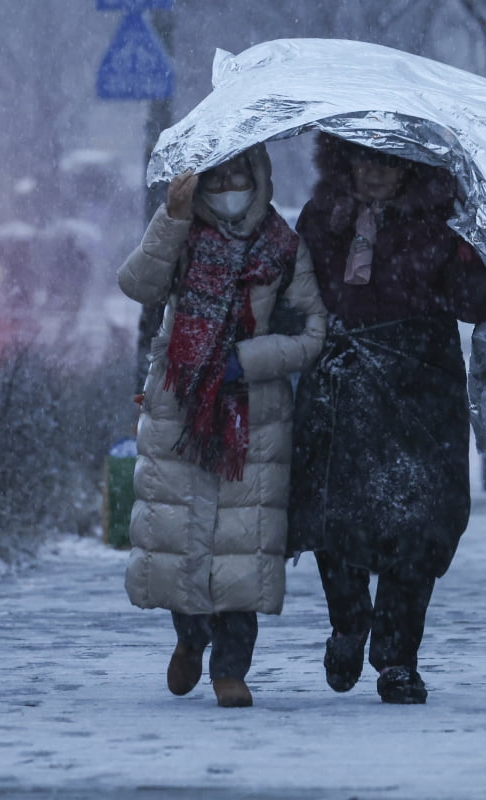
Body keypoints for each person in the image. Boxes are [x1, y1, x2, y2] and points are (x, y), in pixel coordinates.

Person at [289, 133, 486, 704]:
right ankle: (349, 623)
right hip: (342, 381)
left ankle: (398, 658)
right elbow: (291, 294)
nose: (377, 173)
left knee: (418, 524)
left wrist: (465, 250)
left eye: (391, 161)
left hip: (420, 388)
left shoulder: (443, 225)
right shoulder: (320, 218)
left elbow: (480, 302)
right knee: (333, 516)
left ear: (412, 168)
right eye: (366, 159)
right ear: (346, 161)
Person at [119, 144, 327, 708]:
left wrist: (250, 358)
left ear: (259, 176)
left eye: (241, 172)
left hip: (254, 414)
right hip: (183, 404)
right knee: (181, 536)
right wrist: (173, 216)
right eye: (220, 175)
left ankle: (231, 668)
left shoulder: (284, 248)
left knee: (243, 545)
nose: (231, 184)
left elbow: (313, 332)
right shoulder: (182, 235)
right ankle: (190, 638)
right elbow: (137, 284)